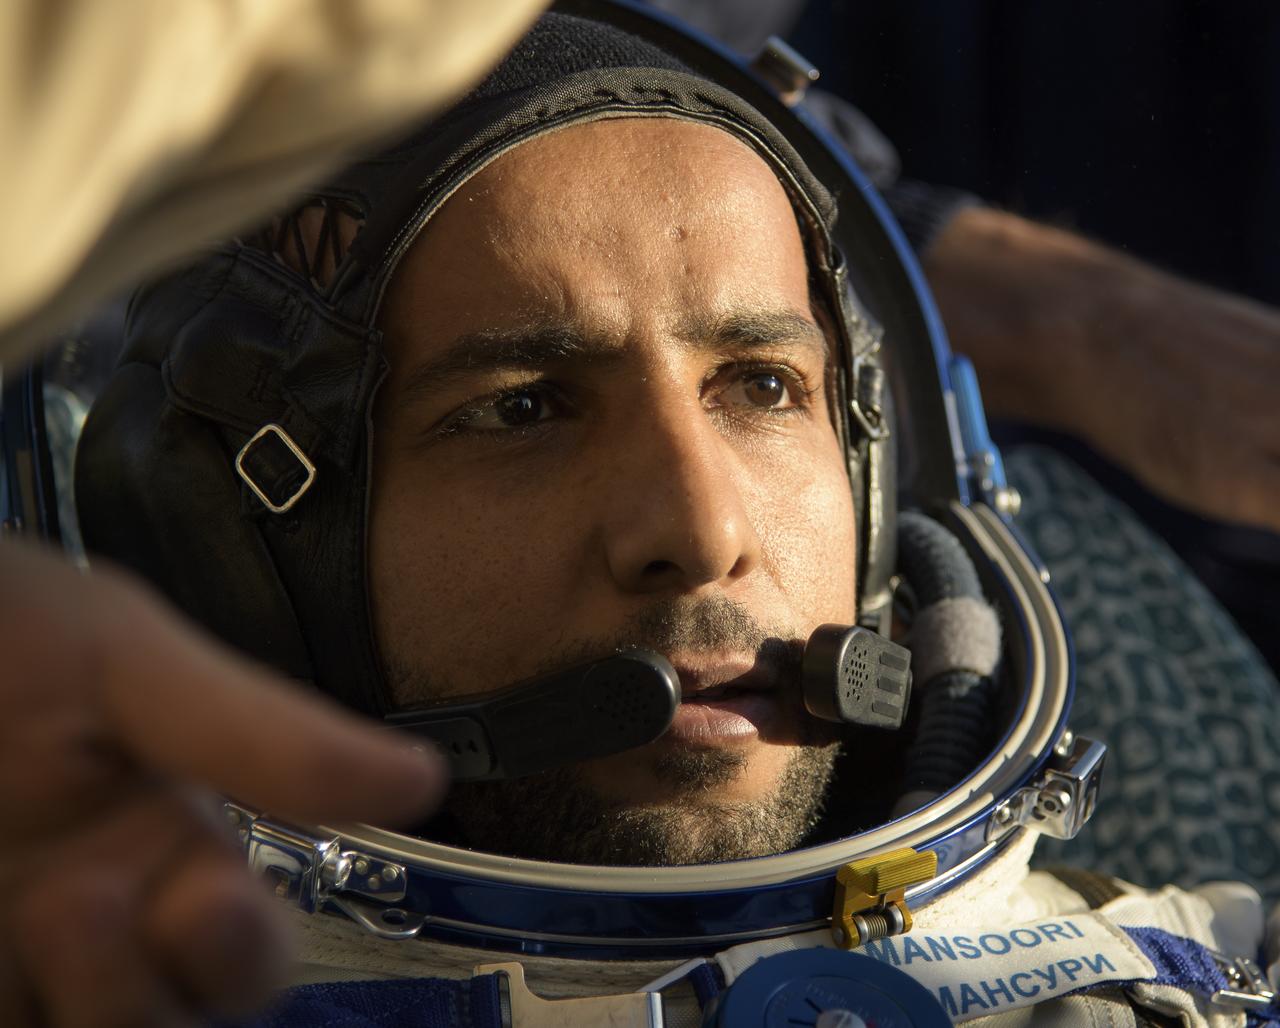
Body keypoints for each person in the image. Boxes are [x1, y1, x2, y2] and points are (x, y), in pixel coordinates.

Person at [53, 7, 1279, 1026]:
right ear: (237, 551)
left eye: (759, 386)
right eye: (522, 406)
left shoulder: (1209, 968)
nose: (699, 531)